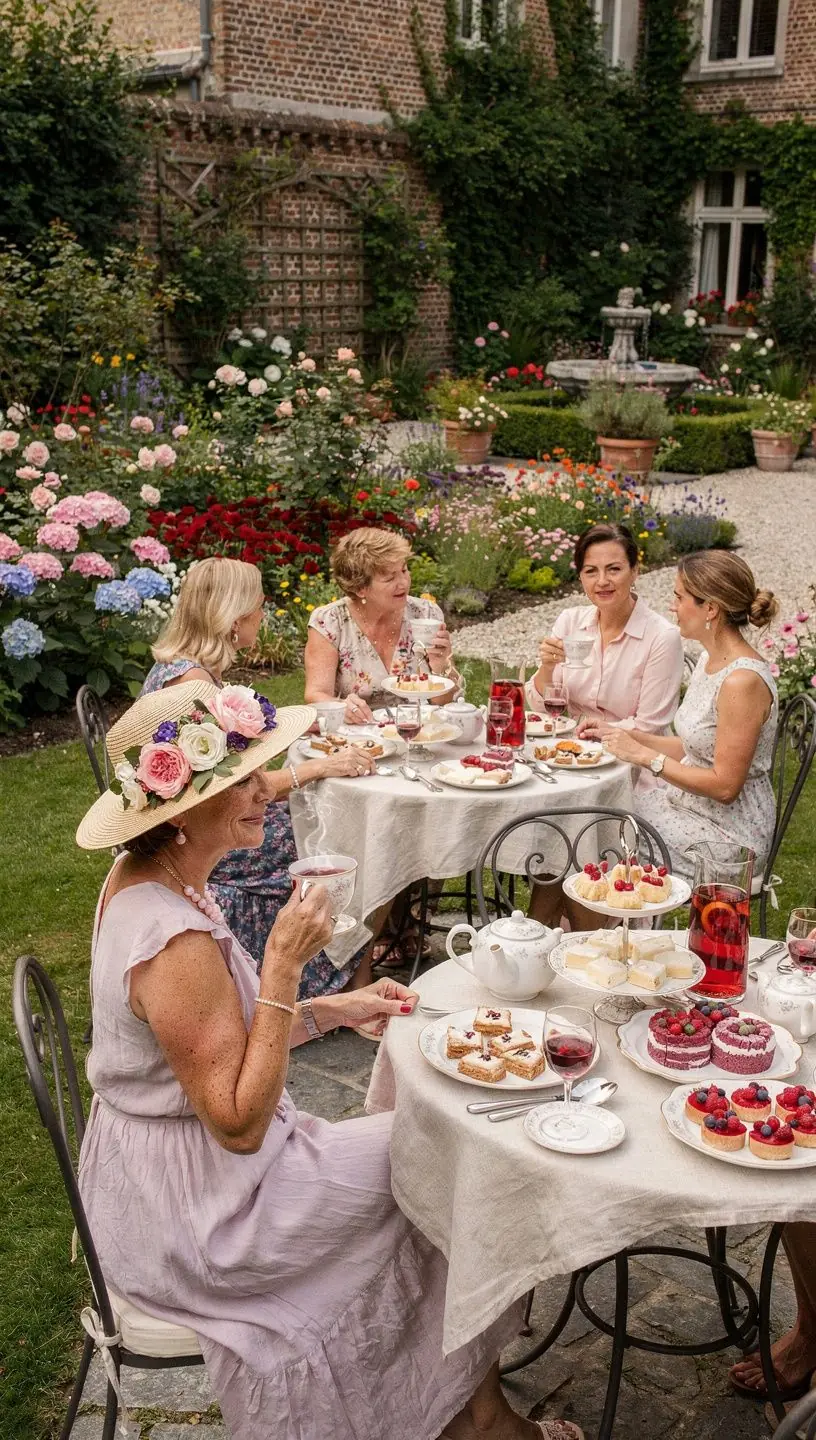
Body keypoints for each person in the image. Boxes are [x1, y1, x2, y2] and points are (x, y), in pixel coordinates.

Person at [76, 680, 582, 1440]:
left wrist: (326, 1009)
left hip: (186, 1171)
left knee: (431, 1152)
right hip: (199, 1215)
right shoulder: (172, 939)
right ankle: (466, 1418)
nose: (267, 792)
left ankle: (465, 1410)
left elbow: (215, 1039)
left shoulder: (160, 878)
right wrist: (283, 967)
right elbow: (239, 1124)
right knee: (443, 1157)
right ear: (178, 812)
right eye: (243, 781)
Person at [143, 556, 376, 994]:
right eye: (258, 606)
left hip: (193, 822)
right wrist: (324, 766)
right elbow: (243, 791)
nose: (263, 614)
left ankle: (357, 954)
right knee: (339, 838)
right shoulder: (191, 685)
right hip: (195, 837)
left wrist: (291, 722)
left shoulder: (185, 668)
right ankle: (338, 978)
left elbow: (234, 768)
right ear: (232, 619)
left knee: (330, 822)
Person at [598, 551, 779, 878]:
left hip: (728, 838)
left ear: (710, 608)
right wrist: (624, 735)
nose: (672, 606)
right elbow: (694, 747)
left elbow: (725, 787)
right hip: (688, 809)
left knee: (602, 832)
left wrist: (644, 757)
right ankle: (578, 922)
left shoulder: (742, 682)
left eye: (679, 597)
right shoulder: (712, 660)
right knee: (597, 820)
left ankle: (602, 922)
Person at [527, 523, 684, 736]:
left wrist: (583, 732)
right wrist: (547, 667)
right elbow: (539, 707)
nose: (602, 581)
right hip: (570, 750)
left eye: (614, 569)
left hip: (632, 758)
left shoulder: (662, 637)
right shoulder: (570, 621)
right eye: (591, 571)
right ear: (580, 577)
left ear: (635, 571)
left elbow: (649, 726)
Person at [305, 526, 460, 724]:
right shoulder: (329, 622)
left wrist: (441, 666)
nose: (403, 582)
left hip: (419, 733)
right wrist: (342, 707)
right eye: (390, 577)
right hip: (357, 739)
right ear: (361, 588)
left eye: (404, 570)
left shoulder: (426, 614)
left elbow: (444, 702)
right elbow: (315, 694)